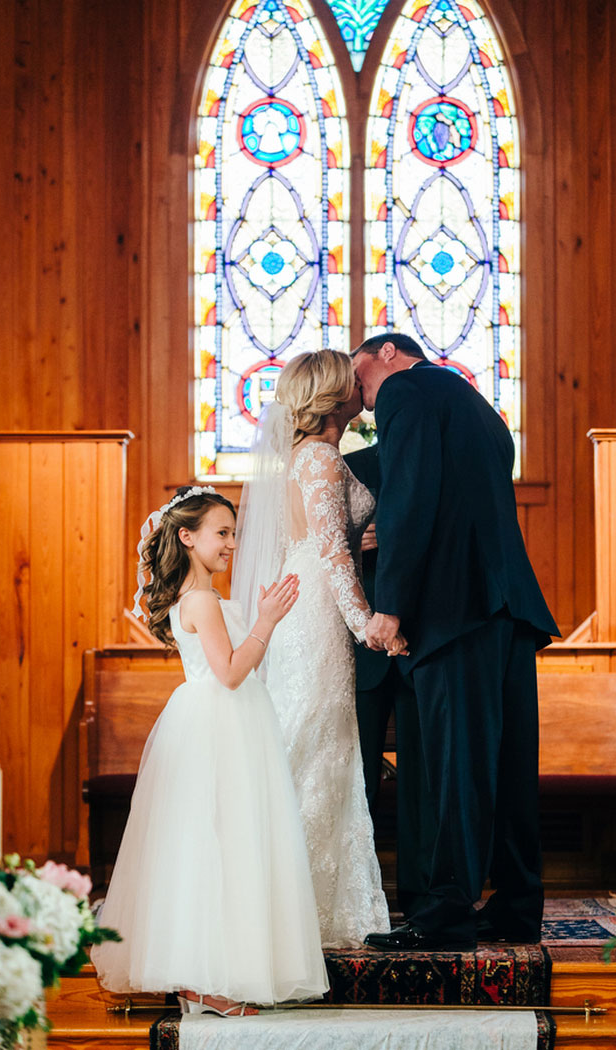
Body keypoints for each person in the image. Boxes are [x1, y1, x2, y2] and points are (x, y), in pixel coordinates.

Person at [351, 334, 559, 951]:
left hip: (453, 611)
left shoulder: (406, 389)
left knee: (454, 770)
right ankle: (518, 907)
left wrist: (389, 603)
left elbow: (412, 492)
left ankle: (444, 916)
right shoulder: (478, 409)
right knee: (510, 768)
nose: (362, 401)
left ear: (387, 352)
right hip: (507, 610)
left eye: (361, 377)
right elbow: (448, 491)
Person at [91, 486, 328, 1015]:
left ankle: (207, 976)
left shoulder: (201, 598)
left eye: (233, 533)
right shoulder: (200, 600)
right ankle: (207, 983)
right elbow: (229, 673)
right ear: (187, 536)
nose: (231, 544)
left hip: (225, 723)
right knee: (220, 845)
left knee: (214, 846)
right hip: (219, 722)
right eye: (221, 533)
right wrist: (267, 620)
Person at [233, 350, 396, 947]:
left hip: (309, 607)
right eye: (351, 381)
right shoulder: (322, 458)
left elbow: (330, 537)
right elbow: (330, 553)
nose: (360, 387)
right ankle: (287, 915)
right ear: (333, 394)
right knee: (312, 745)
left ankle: (311, 910)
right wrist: (367, 624)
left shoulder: (308, 458)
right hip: (321, 615)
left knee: (320, 745)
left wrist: (364, 532)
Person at [343, 443, 433, 921]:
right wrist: (354, 544)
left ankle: (419, 901)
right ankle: (361, 900)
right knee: (358, 781)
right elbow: (314, 541)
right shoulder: (351, 465)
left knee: (422, 781)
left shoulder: (431, 461)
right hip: (362, 647)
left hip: (421, 641)